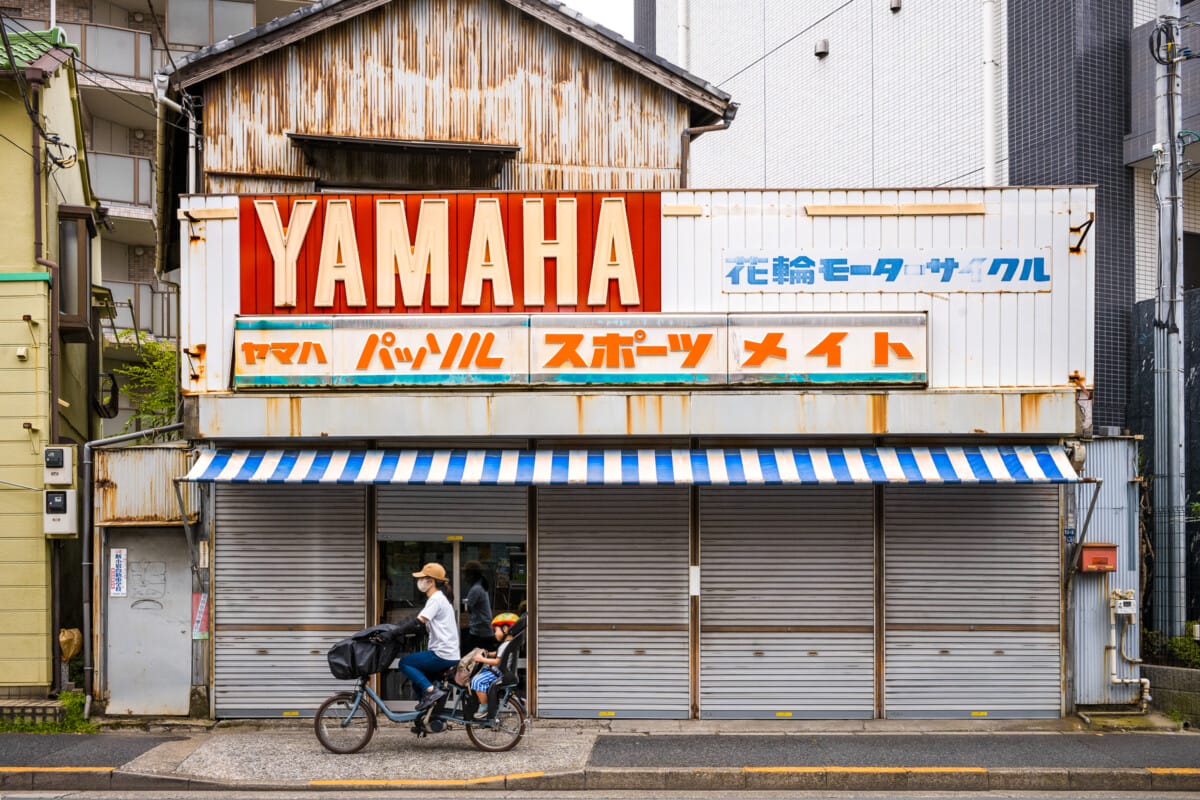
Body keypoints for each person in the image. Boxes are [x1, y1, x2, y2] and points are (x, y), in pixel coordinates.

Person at [397, 563, 460, 711]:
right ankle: (427, 718)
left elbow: (418, 621)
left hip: (442, 654)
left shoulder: (436, 599)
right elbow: (419, 623)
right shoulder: (439, 599)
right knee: (417, 682)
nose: (420, 582)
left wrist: (394, 632)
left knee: (405, 663)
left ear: (431, 581)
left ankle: (432, 692)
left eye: (422, 578)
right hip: (447, 652)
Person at [466, 612, 519, 720]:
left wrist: (482, 659)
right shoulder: (508, 644)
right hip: (499, 671)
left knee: (477, 681)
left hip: (497, 673)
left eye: (496, 630)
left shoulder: (505, 645)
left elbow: (498, 662)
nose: (495, 634)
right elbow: (498, 654)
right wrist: (489, 653)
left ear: (505, 629)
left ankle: (484, 707)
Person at [462, 561, 493, 653]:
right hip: (483, 629)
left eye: (466, 575)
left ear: (471, 576)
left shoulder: (476, 589)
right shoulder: (480, 586)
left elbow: (466, 607)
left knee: (469, 656)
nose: (465, 578)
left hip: (480, 631)